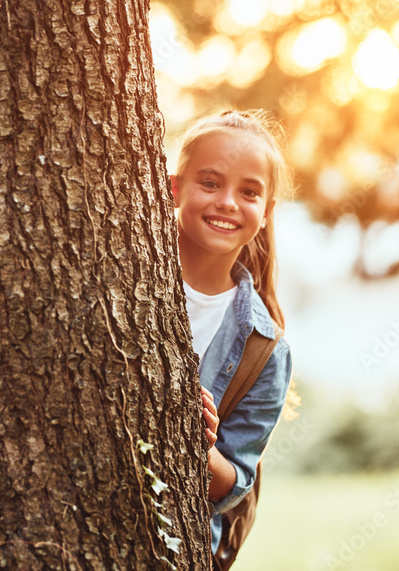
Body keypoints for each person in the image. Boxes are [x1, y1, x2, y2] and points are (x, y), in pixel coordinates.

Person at [170, 110, 293, 558]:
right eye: (210, 183)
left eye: (248, 192)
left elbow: (234, 481)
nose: (227, 202)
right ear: (174, 187)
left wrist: (194, 441)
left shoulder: (266, 350)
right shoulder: (120, 274)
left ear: (266, 212)